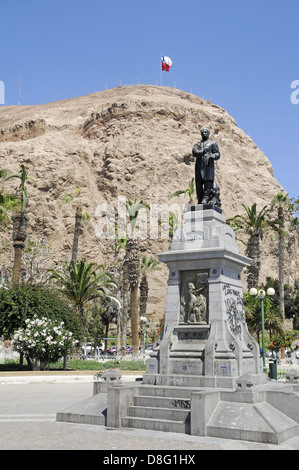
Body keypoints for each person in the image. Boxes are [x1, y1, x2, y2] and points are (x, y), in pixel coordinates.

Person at [192, 128, 220, 204]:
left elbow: (217, 154)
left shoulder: (213, 143)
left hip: (208, 166)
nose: (204, 133)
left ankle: (205, 198)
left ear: (208, 133)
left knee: (208, 183)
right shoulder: (197, 144)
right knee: (198, 184)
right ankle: (199, 199)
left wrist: (212, 156)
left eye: (206, 132)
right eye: (202, 132)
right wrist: (202, 152)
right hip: (199, 166)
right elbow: (194, 152)